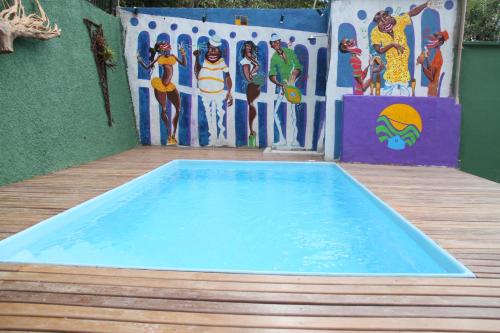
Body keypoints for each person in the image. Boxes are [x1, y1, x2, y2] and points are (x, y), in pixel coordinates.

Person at [371, 1, 429, 96]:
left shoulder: (398, 21)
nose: (384, 21)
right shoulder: (375, 32)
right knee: (386, 97)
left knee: (406, 97)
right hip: (391, 71)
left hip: (404, 70)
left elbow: (412, 13)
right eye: (380, 21)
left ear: (389, 16)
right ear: (377, 24)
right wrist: (392, 44)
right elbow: (379, 50)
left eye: (385, 17)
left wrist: (426, 4)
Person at [137, 41, 186, 145]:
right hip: (161, 86)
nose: (165, 51)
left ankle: (173, 135)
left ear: (169, 48)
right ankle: (169, 134)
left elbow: (184, 64)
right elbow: (147, 67)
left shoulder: (173, 57)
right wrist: (140, 60)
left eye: (167, 49)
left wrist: (182, 52)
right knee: (164, 109)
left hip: (169, 86)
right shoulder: (159, 58)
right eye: (163, 50)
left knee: (178, 108)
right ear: (160, 50)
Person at [194, 35, 233, 146]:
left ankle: (220, 139)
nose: (213, 52)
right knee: (208, 115)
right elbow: (197, 73)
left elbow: (227, 76)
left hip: (218, 93)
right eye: (211, 49)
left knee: (219, 116)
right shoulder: (203, 59)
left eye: (215, 49)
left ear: (219, 50)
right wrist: (196, 58)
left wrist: (229, 92)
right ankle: (212, 139)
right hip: (204, 94)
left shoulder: (221, 61)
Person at [268, 33, 303, 147]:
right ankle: (282, 139)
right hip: (283, 87)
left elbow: (298, 66)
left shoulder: (290, 52)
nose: (276, 44)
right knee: (275, 113)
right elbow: (272, 75)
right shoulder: (274, 58)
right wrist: (279, 84)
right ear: (271, 45)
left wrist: (295, 74)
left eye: (277, 41)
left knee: (293, 113)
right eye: (274, 43)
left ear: (279, 41)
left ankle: (295, 140)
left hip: (292, 86)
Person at [240, 41, 264, 147]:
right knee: (251, 105)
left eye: (250, 46)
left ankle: (252, 131)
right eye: (247, 46)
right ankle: (251, 131)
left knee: (252, 104)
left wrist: (254, 71)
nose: (248, 48)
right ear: (244, 48)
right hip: (252, 83)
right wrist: (252, 75)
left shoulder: (252, 58)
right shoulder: (245, 61)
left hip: (255, 82)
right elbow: (247, 76)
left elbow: (257, 67)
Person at [417, 30, 449, 96]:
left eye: (435, 38)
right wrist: (423, 58)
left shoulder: (438, 57)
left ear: (440, 42)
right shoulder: (432, 52)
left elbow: (431, 77)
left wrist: (423, 63)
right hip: (431, 90)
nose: (431, 39)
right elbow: (428, 67)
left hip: (432, 91)